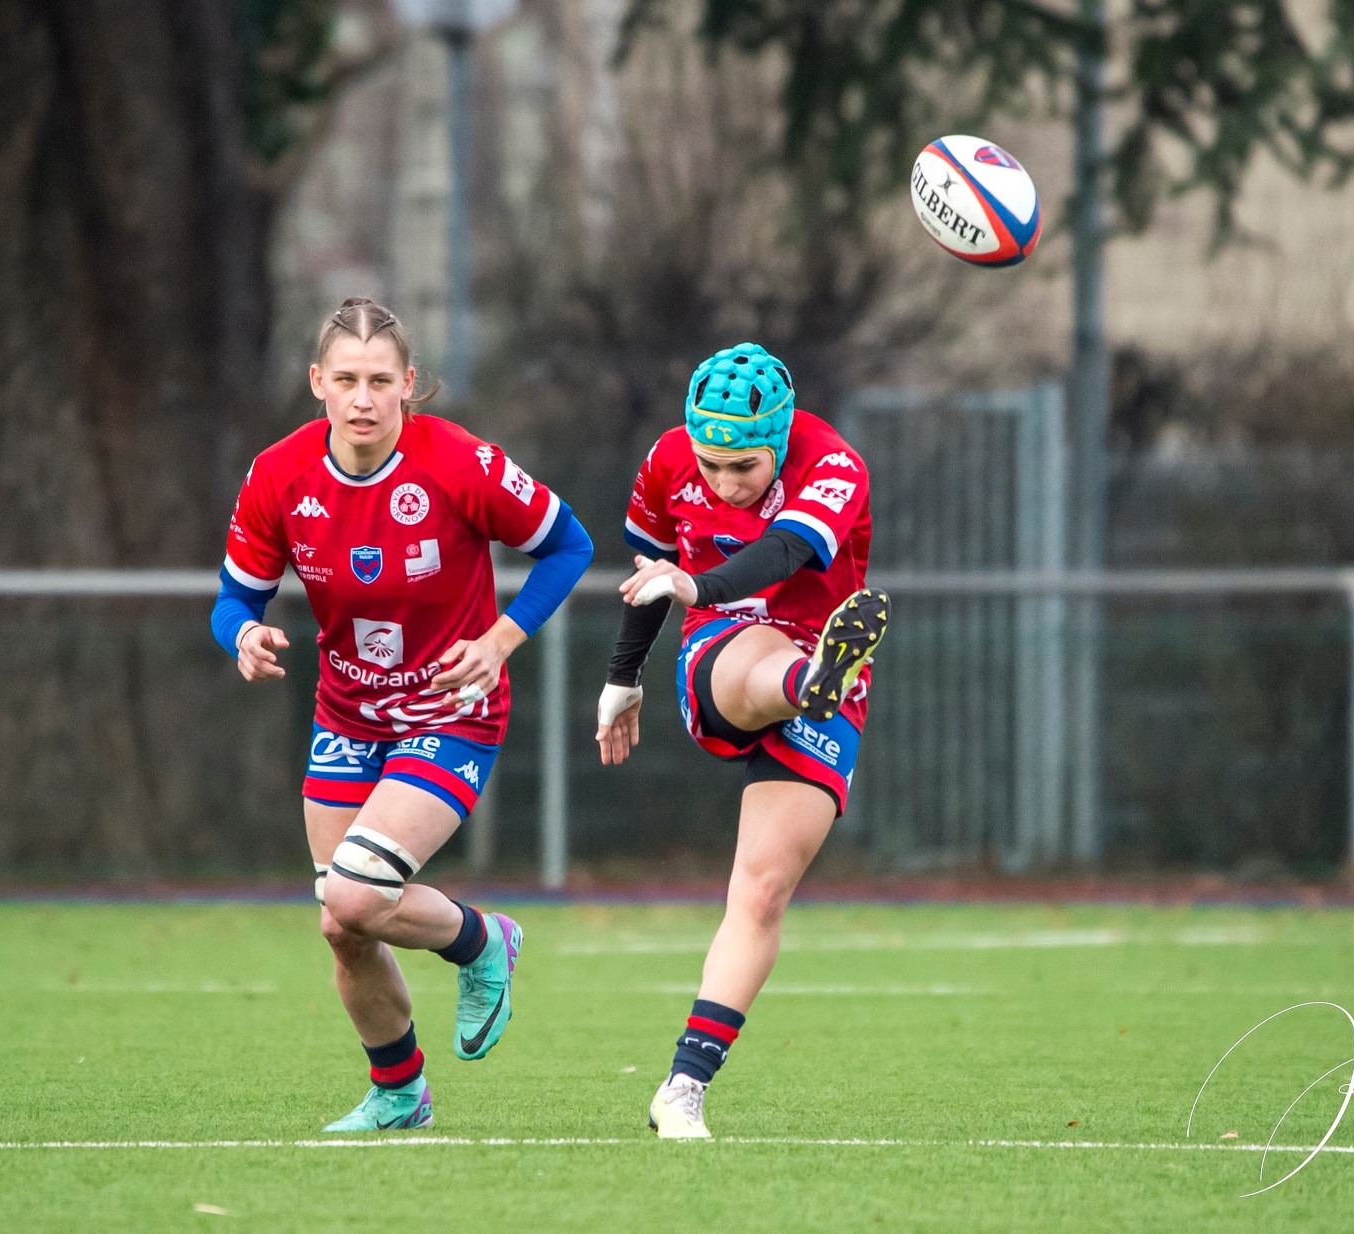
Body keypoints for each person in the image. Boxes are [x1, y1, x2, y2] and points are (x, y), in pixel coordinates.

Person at [211, 298, 593, 1132]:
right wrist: (242, 633)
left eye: (379, 380)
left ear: (408, 385)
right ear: (317, 383)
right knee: (343, 926)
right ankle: (399, 1095)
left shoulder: (458, 462)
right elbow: (232, 597)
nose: (361, 397)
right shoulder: (278, 474)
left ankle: (482, 942)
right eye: (344, 379)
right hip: (345, 714)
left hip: (451, 709)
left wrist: (499, 640)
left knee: (352, 894)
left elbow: (570, 545)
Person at [596, 342, 889, 1139]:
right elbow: (653, 573)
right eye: (711, 465)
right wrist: (623, 676)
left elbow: (784, 552)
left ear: (782, 434)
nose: (725, 484)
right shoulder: (665, 459)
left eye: (745, 468)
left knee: (760, 893)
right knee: (763, 662)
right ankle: (806, 683)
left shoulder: (832, 463)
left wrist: (700, 578)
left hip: (815, 648)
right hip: (724, 644)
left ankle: (681, 1088)